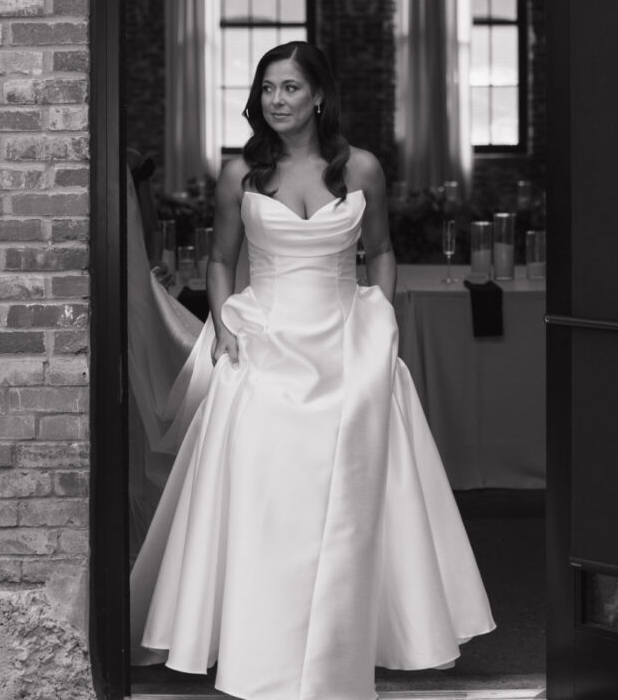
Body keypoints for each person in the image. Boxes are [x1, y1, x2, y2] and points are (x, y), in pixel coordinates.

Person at [129, 41, 495, 700]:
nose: (277, 101)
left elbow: (379, 251)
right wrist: (224, 332)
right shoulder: (241, 171)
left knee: (356, 492)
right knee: (270, 498)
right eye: (267, 88)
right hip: (262, 339)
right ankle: (258, 639)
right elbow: (218, 260)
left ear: (319, 95)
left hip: (346, 340)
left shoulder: (361, 169)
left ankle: (353, 634)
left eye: (290, 88)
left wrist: (381, 323)